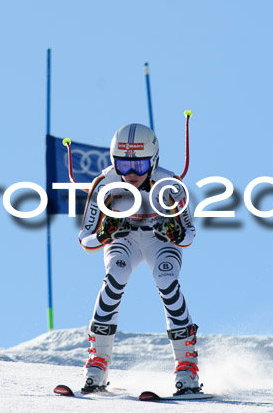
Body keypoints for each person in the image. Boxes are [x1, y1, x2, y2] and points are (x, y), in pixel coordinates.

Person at [78, 122, 200, 394]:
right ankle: (97, 362)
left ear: (154, 162)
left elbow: (189, 234)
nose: (131, 174)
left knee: (166, 279)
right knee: (115, 277)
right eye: (123, 166)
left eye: (140, 166)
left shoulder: (171, 185)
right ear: (113, 163)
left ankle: (187, 366)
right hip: (125, 240)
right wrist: (103, 234)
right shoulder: (105, 184)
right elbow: (85, 238)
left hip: (158, 241)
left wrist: (174, 231)